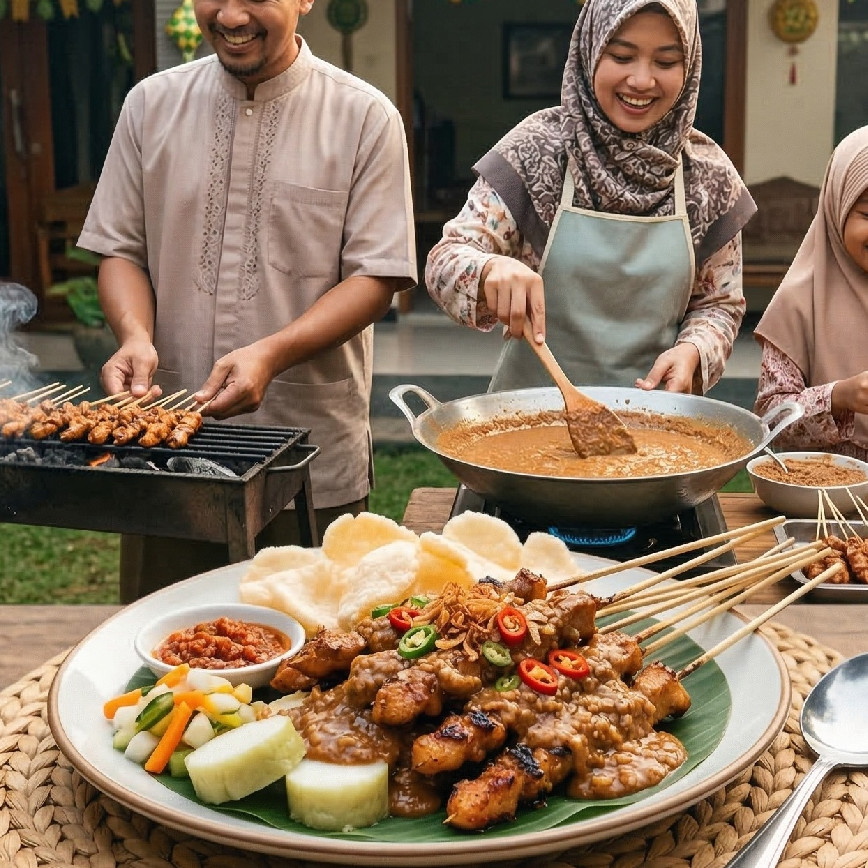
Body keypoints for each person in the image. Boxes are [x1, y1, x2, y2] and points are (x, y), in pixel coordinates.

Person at [77, 0, 417, 601]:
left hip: (304, 456)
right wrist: (134, 335)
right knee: (159, 655)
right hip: (169, 453)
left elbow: (377, 277)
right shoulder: (150, 105)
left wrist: (274, 351)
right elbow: (121, 249)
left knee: (314, 666)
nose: (232, 16)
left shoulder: (364, 116)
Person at [426, 0, 755, 396]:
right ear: (590, 49)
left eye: (665, 62)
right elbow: (445, 260)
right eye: (621, 56)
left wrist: (693, 351)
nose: (641, 80)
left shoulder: (709, 178)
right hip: (526, 420)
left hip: (658, 424)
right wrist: (488, 269)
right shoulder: (537, 152)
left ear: (690, 68)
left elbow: (718, 303)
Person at [754, 125, 868, 460]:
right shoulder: (801, 300)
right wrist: (838, 397)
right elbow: (770, 419)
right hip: (827, 501)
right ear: (838, 209)